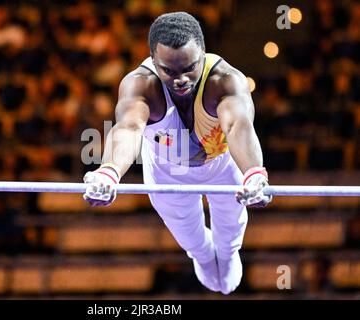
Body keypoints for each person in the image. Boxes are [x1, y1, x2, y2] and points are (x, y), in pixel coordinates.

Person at [83, 12, 272, 295]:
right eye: (169, 71)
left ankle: (228, 255)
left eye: (189, 68)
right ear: (153, 61)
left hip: (221, 166)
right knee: (193, 241)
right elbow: (128, 128)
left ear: (203, 52)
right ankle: (203, 257)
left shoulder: (224, 80)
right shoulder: (141, 85)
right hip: (167, 171)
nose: (181, 79)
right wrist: (109, 171)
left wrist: (254, 173)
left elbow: (236, 126)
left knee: (230, 235)